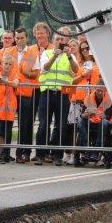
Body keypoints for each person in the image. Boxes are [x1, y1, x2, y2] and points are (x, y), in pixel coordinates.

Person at [35, 26, 76, 165]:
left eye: (62, 38)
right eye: (57, 38)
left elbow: (76, 71)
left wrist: (69, 56)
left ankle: (56, 154)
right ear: (54, 40)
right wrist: (55, 55)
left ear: (67, 40)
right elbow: (44, 68)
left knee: (61, 125)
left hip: (63, 94)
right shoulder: (46, 53)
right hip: (47, 93)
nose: (60, 40)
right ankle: (41, 154)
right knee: (43, 124)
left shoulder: (71, 55)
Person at [15, 24, 46, 163]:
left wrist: (24, 72)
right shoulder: (10, 52)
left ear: (26, 38)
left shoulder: (33, 52)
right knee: (11, 123)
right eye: (17, 38)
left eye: (21, 38)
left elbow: (36, 74)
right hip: (11, 92)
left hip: (28, 93)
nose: (19, 40)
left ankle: (25, 152)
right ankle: (11, 152)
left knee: (26, 124)